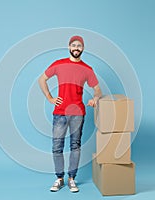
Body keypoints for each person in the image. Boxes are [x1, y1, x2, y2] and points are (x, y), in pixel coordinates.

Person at [38, 35, 102, 193]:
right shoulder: (59, 64)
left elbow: (98, 90)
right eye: (73, 45)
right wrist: (50, 98)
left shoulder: (87, 69)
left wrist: (95, 99)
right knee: (57, 147)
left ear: (83, 49)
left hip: (78, 113)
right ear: (69, 47)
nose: (76, 48)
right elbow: (42, 79)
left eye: (79, 45)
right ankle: (59, 179)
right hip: (60, 112)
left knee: (75, 146)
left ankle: (72, 178)